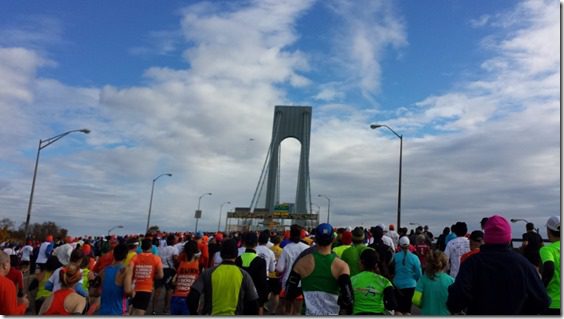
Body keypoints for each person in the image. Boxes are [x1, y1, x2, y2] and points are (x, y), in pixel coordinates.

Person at [447, 215, 549, 315]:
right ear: (509, 239)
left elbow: (455, 302)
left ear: (485, 239)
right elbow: (542, 301)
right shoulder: (523, 265)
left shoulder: (471, 263)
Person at [286, 223, 353, 315]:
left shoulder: (301, 263)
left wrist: (305, 289)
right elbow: (348, 299)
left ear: (316, 239)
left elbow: (289, 292)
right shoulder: (342, 266)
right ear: (333, 239)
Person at [187, 238, 259, 315]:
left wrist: (194, 314)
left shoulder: (208, 273)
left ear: (221, 254)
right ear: (236, 254)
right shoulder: (244, 275)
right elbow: (253, 303)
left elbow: (192, 296)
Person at [351, 248, 397, 315]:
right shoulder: (385, 282)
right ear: (376, 265)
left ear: (361, 262)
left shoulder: (352, 280)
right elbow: (392, 305)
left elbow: (345, 301)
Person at [125, 238, 164, 315]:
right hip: (146, 289)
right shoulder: (156, 258)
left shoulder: (135, 257)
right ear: (151, 247)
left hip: (134, 288)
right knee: (140, 312)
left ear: (141, 247)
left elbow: (129, 271)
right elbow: (160, 275)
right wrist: (152, 276)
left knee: (132, 310)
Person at [412, 250, 454, 315]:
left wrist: (423, 305)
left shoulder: (423, 279)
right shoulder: (451, 280)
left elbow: (415, 299)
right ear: (444, 264)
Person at [236, 232, 268, 315]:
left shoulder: (238, 259)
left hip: (239, 296)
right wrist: (262, 301)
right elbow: (262, 283)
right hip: (255, 297)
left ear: (244, 243)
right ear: (256, 243)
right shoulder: (261, 261)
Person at [392, 236, 421, 315]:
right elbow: (418, 273)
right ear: (409, 245)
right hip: (411, 286)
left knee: (398, 310)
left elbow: (392, 270)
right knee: (407, 310)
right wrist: (415, 280)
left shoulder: (395, 256)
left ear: (399, 245)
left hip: (397, 285)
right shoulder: (415, 257)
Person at [97, 243, 129, 315]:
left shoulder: (104, 271)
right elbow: (127, 291)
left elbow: (97, 291)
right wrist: (133, 292)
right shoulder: (126, 270)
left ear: (114, 255)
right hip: (119, 311)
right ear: (126, 256)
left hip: (103, 311)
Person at [170, 240, 200, 315]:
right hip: (190, 298)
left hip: (176, 297)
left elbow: (173, 282)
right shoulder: (198, 265)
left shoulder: (181, 265)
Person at [153, 234, 178, 314]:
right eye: (175, 239)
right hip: (169, 271)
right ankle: (165, 309)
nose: (176, 241)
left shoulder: (161, 249)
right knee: (169, 290)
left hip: (160, 269)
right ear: (173, 241)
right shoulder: (174, 249)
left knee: (157, 290)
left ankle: (153, 309)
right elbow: (175, 259)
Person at [540, 216, 560, 315]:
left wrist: (540, 288)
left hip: (553, 303)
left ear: (549, 231)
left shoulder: (547, 250)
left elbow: (549, 268)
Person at [0, 251, 29, 315]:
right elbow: (12, 314)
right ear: (5, 265)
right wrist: (24, 306)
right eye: (9, 263)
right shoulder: (7, 284)